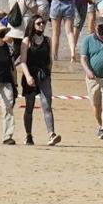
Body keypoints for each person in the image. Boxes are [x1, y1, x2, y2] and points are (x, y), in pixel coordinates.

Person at [20, 16, 61, 146]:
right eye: (38, 23)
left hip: (44, 76)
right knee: (29, 107)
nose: (42, 25)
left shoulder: (48, 40)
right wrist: (28, 76)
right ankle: (28, 135)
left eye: (43, 23)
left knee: (47, 105)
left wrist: (48, 74)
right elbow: (23, 61)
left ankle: (51, 134)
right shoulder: (27, 41)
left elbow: (50, 60)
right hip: (30, 75)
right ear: (33, 25)